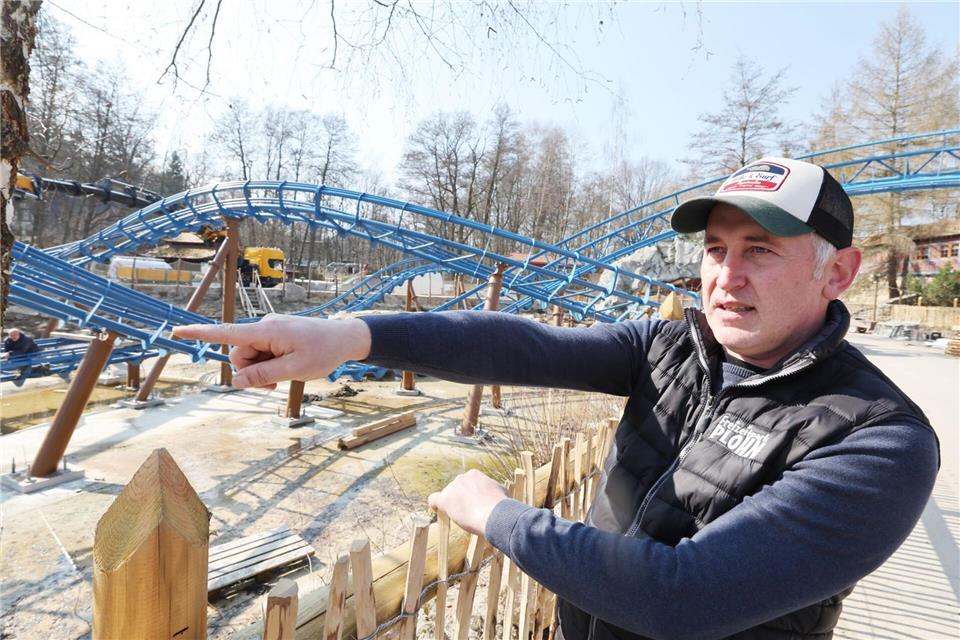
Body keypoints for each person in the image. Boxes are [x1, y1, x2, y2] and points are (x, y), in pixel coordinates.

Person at [174, 157, 939, 640]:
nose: (725, 277)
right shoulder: (670, 347)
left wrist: (496, 514)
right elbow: (519, 345)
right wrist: (349, 336)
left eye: (760, 251)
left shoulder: (876, 441)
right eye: (715, 249)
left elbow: (680, 599)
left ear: (839, 273)